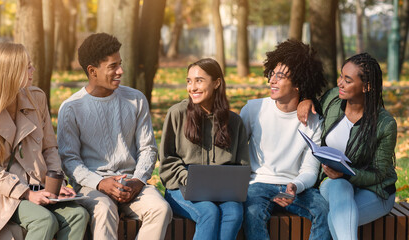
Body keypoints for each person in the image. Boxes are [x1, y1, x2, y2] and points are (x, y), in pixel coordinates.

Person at [0, 43, 89, 240]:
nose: (33, 70)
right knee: (44, 220)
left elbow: (49, 148)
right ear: (9, 71)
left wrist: (55, 185)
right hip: (2, 193)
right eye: (27, 66)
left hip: (39, 186)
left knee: (78, 215)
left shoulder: (36, 98)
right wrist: (26, 194)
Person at [57, 33, 172, 240]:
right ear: (92, 71)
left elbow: (148, 148)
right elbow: (70, 160)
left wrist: (138, 179)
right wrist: (101, 183)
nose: (120, 71)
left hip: (132, 182)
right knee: (104, 210)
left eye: (120, 64)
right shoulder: (71, 108)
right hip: (91, 185)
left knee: (161, 209)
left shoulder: (136, 99)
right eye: (112, 66)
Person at [298, 53, 397, 240]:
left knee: (337, 217)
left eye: (348, 80)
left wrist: (346, 173)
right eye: (341, 76)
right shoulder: (332, 99)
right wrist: (306, 100)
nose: (340, 83)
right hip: (335, 185)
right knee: (340, 188)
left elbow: (379, 174)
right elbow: (314, 109)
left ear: (366, 87)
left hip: (375, 192)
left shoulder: (385, 124)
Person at [240, 39, 331, 240]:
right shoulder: (253, 110)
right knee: (252, 213)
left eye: (280, 77)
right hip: (258, 184)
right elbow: (233, 150)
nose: (272, 80)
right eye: (272, 74)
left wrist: (295, 186)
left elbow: (309, 169)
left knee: (324, 210)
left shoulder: (314, 121)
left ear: (298, 83)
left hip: (296, 186)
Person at [159, 58, 250, 240]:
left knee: (234, 214)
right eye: (189, 81)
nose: (192, 87)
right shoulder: (177, 113)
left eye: (199, 80)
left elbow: (242, 166)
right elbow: (167, 160)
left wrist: (227, 182)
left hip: (223, 190)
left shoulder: (234, 122)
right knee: (209, 212)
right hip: (182, 187)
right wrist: (190, 179)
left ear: (217, 83)